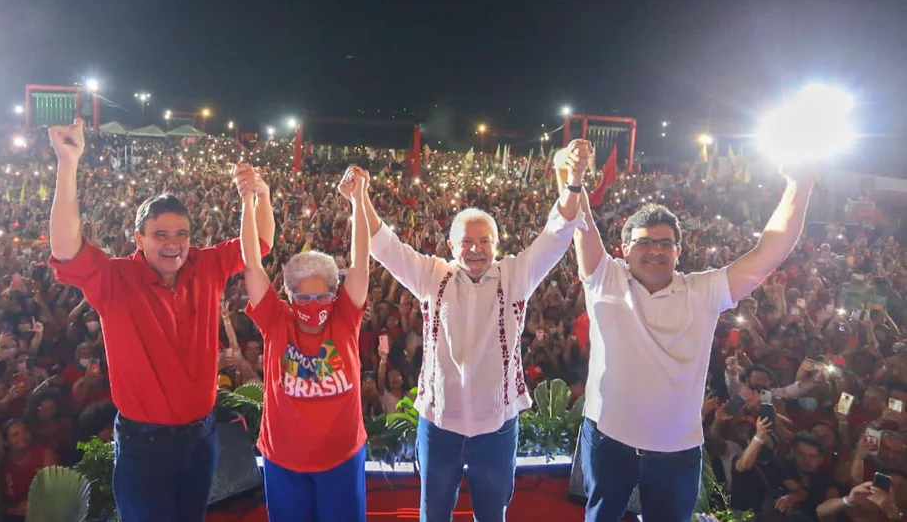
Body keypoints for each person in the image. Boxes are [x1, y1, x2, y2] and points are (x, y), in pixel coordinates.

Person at [558, 145, 816, 522]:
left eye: (665, 243)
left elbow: (769, 252)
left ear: (679, 251)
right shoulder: (604, 278)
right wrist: (570, 176)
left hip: (676, 449)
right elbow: (577, 219)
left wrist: (800, 183)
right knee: (601, 516)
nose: (655, 250)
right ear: (624, 249)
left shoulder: (704, 291)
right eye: (644, 241)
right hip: (608, 438)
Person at [45, 119, 275, 522]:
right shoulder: (115, 279)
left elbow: (260, 244)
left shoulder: (206, 265)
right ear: (139, 238)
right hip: (144, 444)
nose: (173, 244)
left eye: (182, 234)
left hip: (202, 436)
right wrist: (68, 163)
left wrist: (262, 196)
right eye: (161, 235)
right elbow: (66, 249)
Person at [363, 141, 592, 522]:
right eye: (466, 242)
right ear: (451, 245)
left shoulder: (516, 275)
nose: (475, 249)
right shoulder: (433, 274)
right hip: (439, 421)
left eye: (484, 241)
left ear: (497, 245)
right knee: (434, 512)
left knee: (491, 512)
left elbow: (557, 233)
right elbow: (384, 245)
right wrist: (361, 198)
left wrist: (575, 181)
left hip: (496, 423)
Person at [240, 166, 370, 521]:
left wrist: (359, 200)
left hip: (342, 457)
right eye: (303, 298)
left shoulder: (345, 318)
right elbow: (252, 265)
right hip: (284, 459)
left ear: (335, 294)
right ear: (288, 294)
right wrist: (247, 202)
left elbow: (360, 268)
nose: (313, 307)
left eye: (322, 297)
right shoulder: (275, 320)